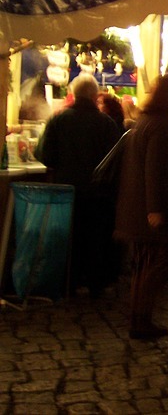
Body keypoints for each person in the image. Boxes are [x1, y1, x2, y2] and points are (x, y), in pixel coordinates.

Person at [35, 73, 121, 297]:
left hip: (65, 191)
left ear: (73, 94)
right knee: (94, 238)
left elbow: (44, 154)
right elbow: (116, 161)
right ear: (95, 96)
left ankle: (69, 281)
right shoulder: (107, 124)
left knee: (69, 238)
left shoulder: (58, 120)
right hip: (97, 194)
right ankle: (95, 282)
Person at [114, 75, 168, 339]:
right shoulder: (161, 126)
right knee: (154, 265)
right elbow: (155, 170)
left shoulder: (145, 122)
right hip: (146, 210)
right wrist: (156, 209)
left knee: (143, 265)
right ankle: (141, 320)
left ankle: (139, 319)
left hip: (135, 207)